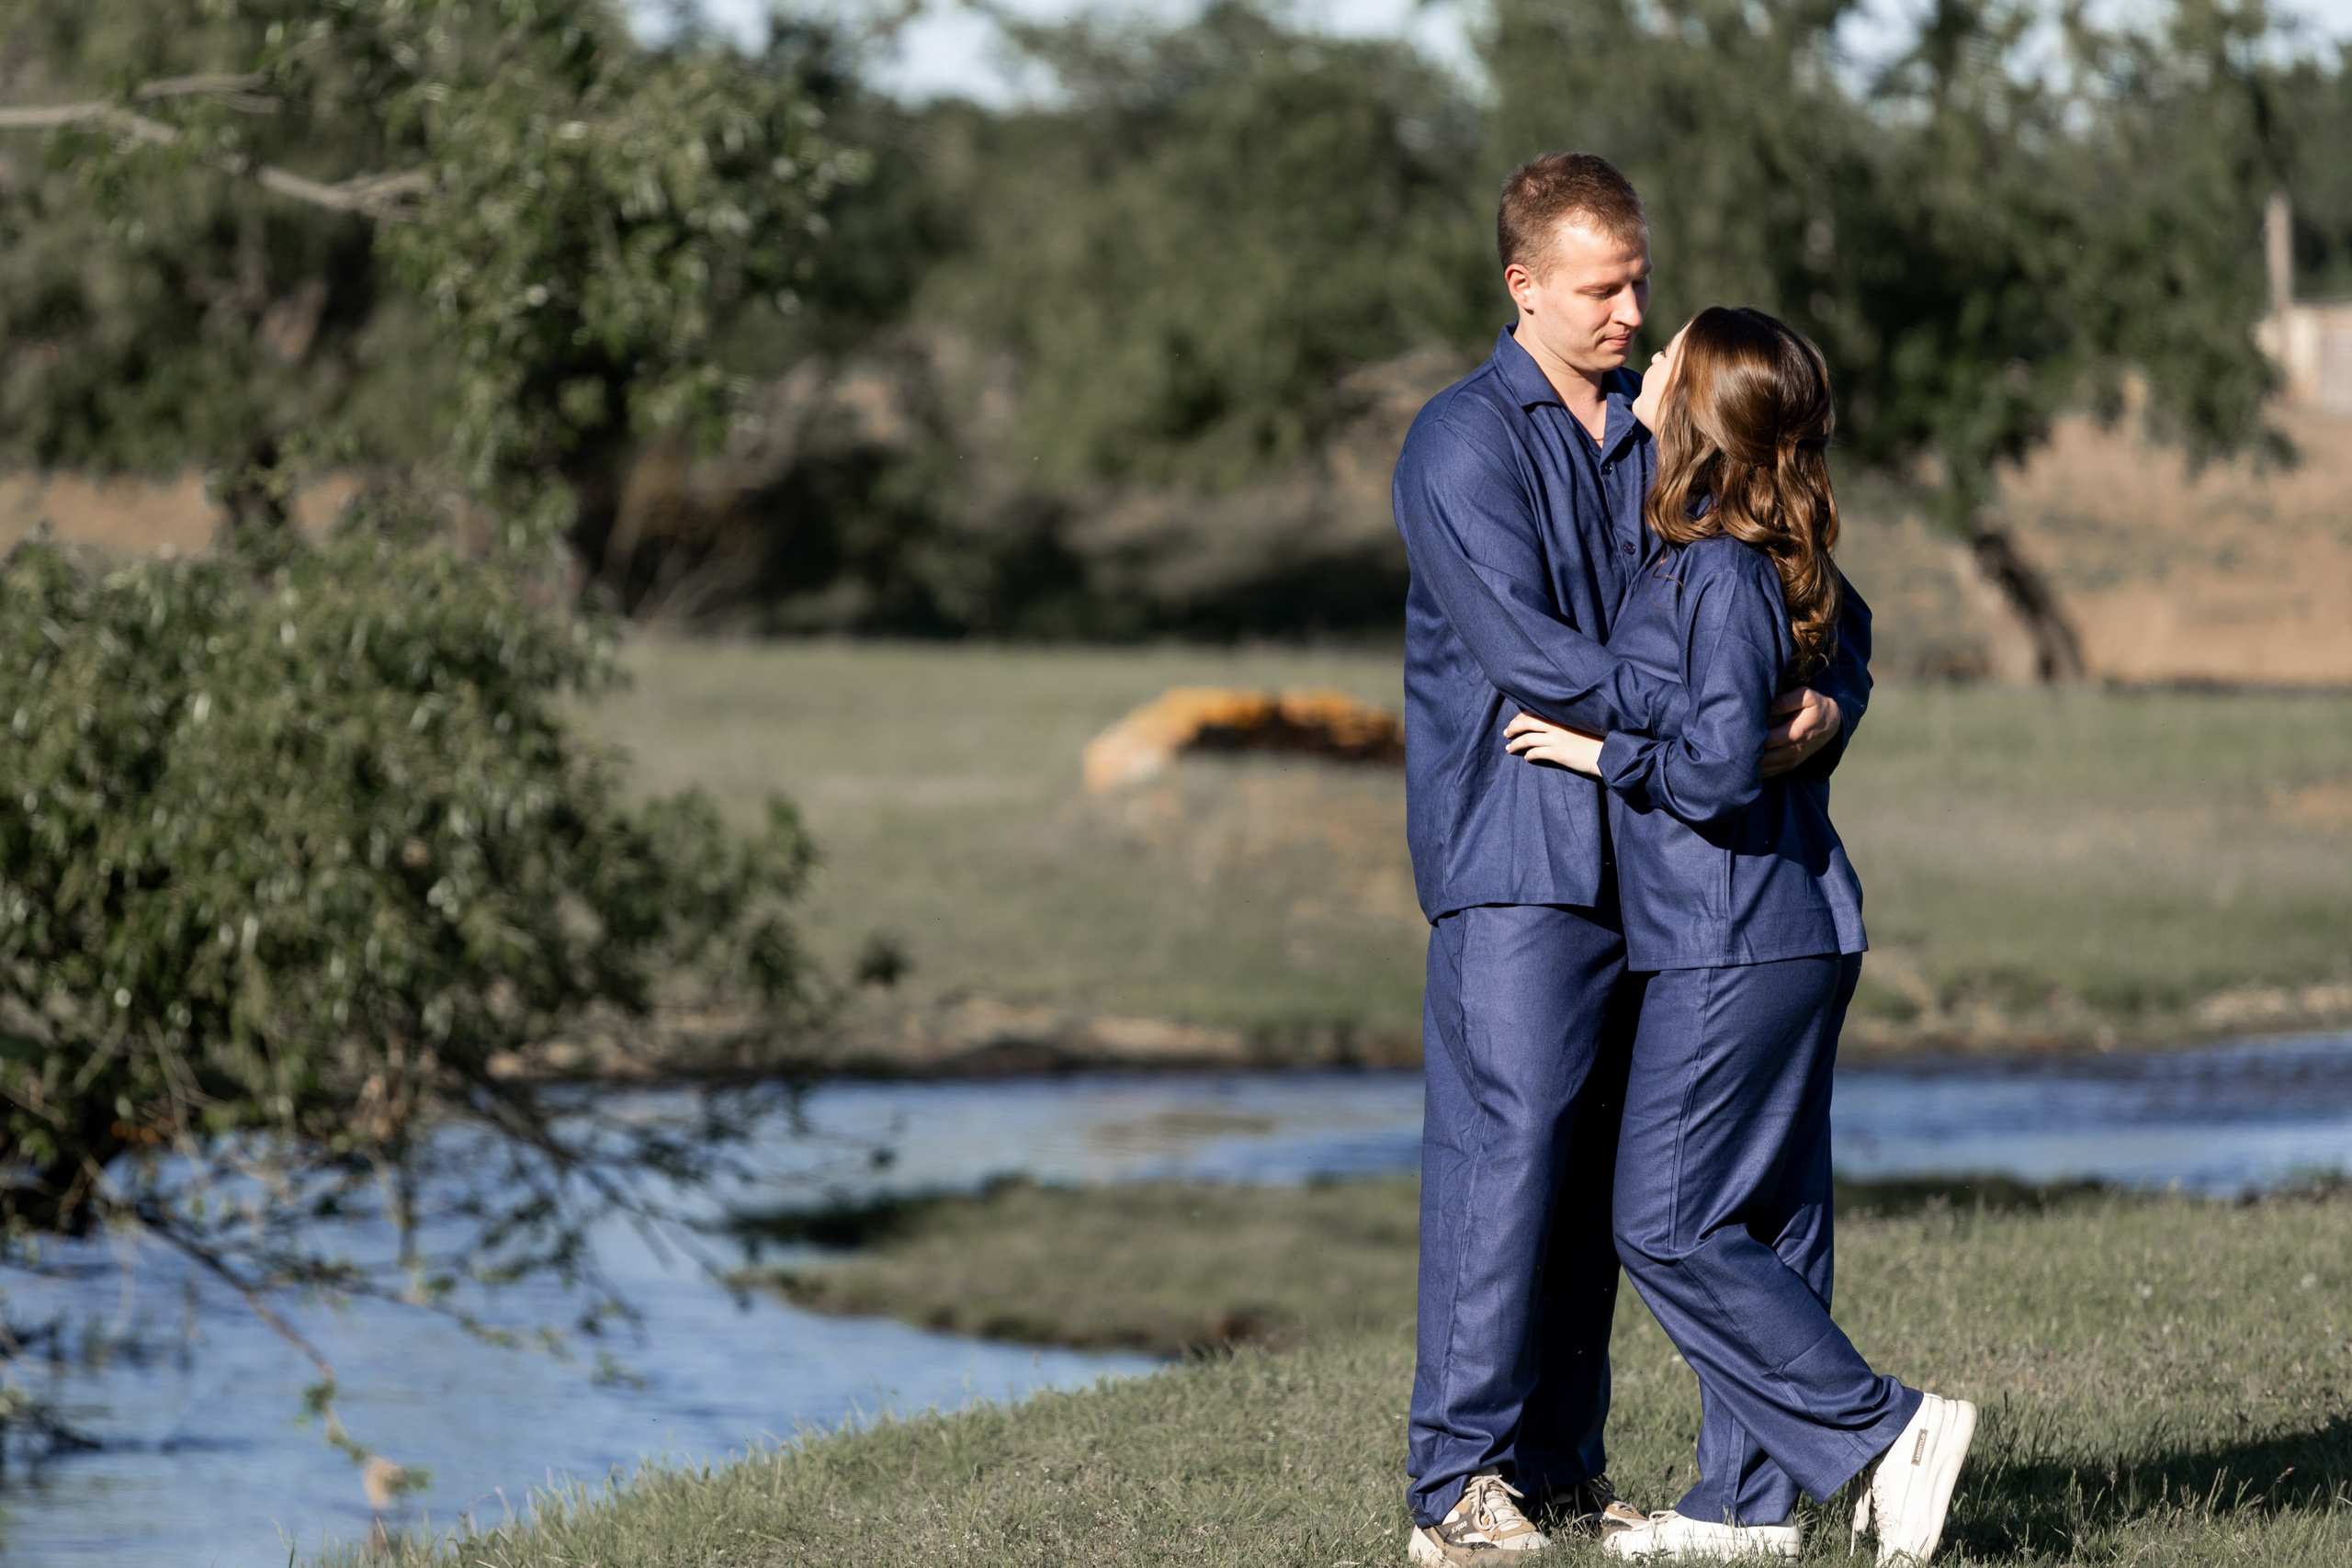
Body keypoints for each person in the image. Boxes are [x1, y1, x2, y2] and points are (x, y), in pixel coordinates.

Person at [1391, 154, 1871, 1568]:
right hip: (1519, 854)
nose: (1631, 309)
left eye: (1640, 279)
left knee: (1608, 1175)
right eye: (1602, 287)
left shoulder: (1665, 431)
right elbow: (1534, 656)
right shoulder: (1459, 442)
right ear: (1522, 286)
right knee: (1507, 1150)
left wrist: (1829, 699)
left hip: (1666, 860)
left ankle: (1555, 1467)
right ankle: (1454, 1486)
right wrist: (1719, 724)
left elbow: (1799, 572)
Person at [1502, 307, 1977, 1563]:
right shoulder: (1755, 551)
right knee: (1766, 1223)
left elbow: (1713, 772)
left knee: (1659, 1219)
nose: (1644, 365)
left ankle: (1889, 1433)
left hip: (1733, 934)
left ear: (1696, 405)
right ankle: (1746, 1511)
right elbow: (1827, 646)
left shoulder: (1712, 563)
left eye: (1669, 362)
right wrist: (1826, 702)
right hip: (1789, 923)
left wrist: (1612, 751)